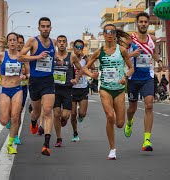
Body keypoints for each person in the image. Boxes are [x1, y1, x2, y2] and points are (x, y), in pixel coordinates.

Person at [83, 24, 134, 160]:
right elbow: (85, 68)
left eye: (112, 31)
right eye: (107, 32)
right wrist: (92, 75)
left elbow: (131, 68)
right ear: (104, 34)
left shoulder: (121, 50)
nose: (110, 34)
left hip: (119, 89)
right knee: (110, 116)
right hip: (105, 88)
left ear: (115, 34)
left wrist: (125, 77)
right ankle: (112, 149)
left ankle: (128, 121)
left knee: (119, 123)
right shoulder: (99, 52)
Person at [123, 12, 163, 152]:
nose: (144, 24)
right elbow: (120, 55)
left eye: (146, 22)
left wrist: (159, 61)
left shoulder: (152, 38)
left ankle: (147, 140)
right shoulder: (130, 40)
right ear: (137, 23)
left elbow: (154, 53)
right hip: (133, 78)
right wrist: (130, 54)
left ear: (148, 24)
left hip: (147, 77)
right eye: (141, 22)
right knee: (132, 108)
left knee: (149, 105)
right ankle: (129, 122)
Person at [18, 17, 56, 156]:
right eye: (43, 26)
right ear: (39, 28)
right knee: (36, 112)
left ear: (51, 28)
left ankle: (46, 145)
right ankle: (33, 121)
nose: (45, 28)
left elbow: (54, 58)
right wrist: (36, 57)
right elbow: (20, 57)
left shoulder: (53, 42)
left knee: (47, 111)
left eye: (48, 26)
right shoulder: (33, 41)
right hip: (35, 81)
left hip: (48, 80)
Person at [0, 32, 23, 154]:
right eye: (11, 40)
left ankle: (10, 144)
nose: (13, 42)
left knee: (15, 117)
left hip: (17, 89)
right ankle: (8, 122)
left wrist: (25, 75)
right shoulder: (2, 56)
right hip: (4, 89)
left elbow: (29, 72)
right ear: (7, 43)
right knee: (4, 121)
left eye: (15, 40)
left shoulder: (21, 57)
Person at [52, 36, 83, 147]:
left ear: (66, 44)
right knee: (56, 114)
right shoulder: (53, 55)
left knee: (65, 115)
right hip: (55, 89)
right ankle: (59, 138)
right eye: (59, 41)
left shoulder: (72, 56)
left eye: (63, 42)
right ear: (57, 43)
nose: (61, 43)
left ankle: (64, 119)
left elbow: (81, 69)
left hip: (67, 89)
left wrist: (76, 79)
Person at [70, 39, 94, 142]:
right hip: (72, 89)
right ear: (73, 48)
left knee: (82, 113)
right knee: (73, 113)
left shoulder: (84, 59)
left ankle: (81, 116)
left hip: (83, 88)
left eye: (81, 47)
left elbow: (92, 67)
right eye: (77, 47)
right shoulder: (70, 58)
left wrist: (86, 56)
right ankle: (75, 133)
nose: (78, 49)